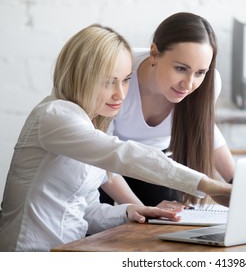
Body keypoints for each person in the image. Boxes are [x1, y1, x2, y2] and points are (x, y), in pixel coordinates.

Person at [0, 24, 231, 252]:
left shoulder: (90, 124)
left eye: (126, 80)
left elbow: (85, 209)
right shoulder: (55, 116)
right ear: (81, 75)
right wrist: (207, 185)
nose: (121, 94)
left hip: (69, 251)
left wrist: (130, 210)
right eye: (109, 81)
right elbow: (123, 155)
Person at [99, 12, 236, 207]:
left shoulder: (209, 84)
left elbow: (205, 128)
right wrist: (143, 211)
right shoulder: (120, 77)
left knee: (170, 225)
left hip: (156, 163)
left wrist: (236, 183)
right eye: (181, 68)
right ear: (154, 54)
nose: (188, 84)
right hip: (107, 163)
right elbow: (101, 152)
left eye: (200, 73)